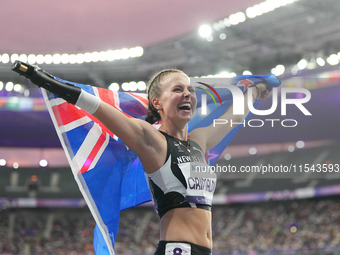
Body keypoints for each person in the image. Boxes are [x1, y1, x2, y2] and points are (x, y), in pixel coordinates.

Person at [12, 62, 271, 255]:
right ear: (156, 102)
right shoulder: (151, 140)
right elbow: (97, 107)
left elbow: (236, 115)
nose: (188, 94)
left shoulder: (198, 141)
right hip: (177, 250)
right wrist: (45, 80)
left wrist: (257, 89)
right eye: (177, 89)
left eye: (190, 90)